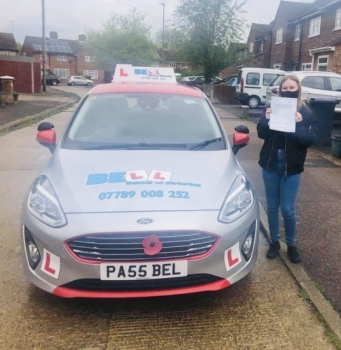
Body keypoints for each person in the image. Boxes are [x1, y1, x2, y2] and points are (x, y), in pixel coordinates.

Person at [257, 74, 317, 263]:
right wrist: (266, 120)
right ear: (280, 90)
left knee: (288, 209)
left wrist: (299, 125)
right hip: (271, 163)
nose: (289, 91)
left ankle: (291, 245)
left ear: (298, 90)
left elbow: (309, 141)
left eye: (292, 88)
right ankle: (275, 242)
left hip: (291, 166)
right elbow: (261, 134)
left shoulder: (306, 112)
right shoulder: (271, 107)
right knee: (272, 207)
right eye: (286, 88)